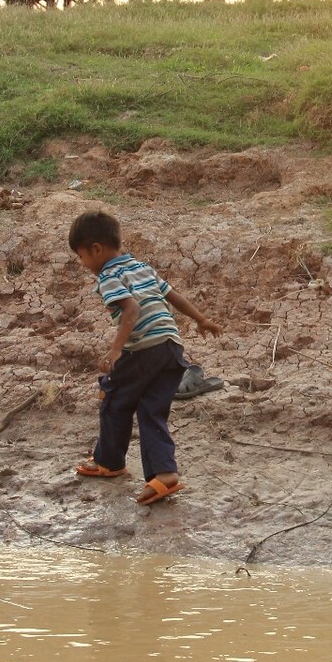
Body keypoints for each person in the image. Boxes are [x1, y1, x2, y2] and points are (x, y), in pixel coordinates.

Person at [68, 210, 222, 505]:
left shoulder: (108, 276)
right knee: (152, 410)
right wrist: (201, 320)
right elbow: (172, 296)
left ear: (96, 249)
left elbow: (131, 310)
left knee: (113, 398)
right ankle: (164, 474)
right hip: (171, 348)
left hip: (144, 349)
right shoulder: (141, 267)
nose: (82, 263)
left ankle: (108, 461)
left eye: (81, 256)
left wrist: (115, 350)